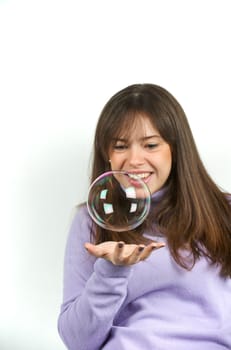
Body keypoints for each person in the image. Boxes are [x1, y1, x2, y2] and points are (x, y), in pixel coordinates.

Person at [57, 83, 231, 350]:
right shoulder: (90, 221)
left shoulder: (224, 212)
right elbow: (77, 342)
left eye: (150, 145)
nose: (135, 160)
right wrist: (111, 273)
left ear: (176, 149)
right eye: (120, 146)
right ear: (108, 155)